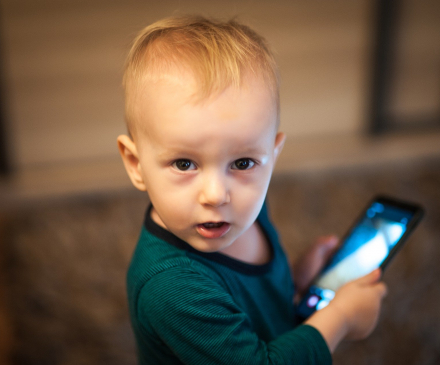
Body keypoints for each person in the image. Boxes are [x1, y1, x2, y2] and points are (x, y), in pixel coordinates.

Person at [117, 15, 387, 364]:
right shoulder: (172, 287)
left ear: (271, 157)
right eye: (185, 164)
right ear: (136, 164)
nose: (216, 194)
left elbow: (251, 300)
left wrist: (294, 284)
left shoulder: (248, 203)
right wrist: (341, 319)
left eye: (242, 163)